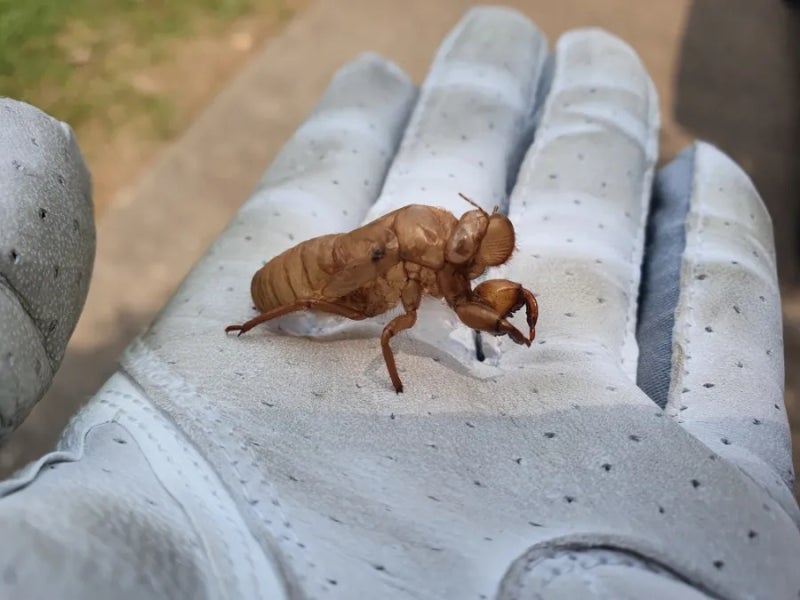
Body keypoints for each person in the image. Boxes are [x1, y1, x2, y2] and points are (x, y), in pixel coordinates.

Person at [0, 8, 798, 599]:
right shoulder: (407, 281)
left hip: (351, 265)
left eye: (469, 239)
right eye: (462, 241)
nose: (469, 250)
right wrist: (270, 323)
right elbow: (385, 328)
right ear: (436, 250)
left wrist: (514, 315)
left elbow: (470, 296)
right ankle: (254, 321)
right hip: (306, 282)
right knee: (323, 297)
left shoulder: (443, 264)